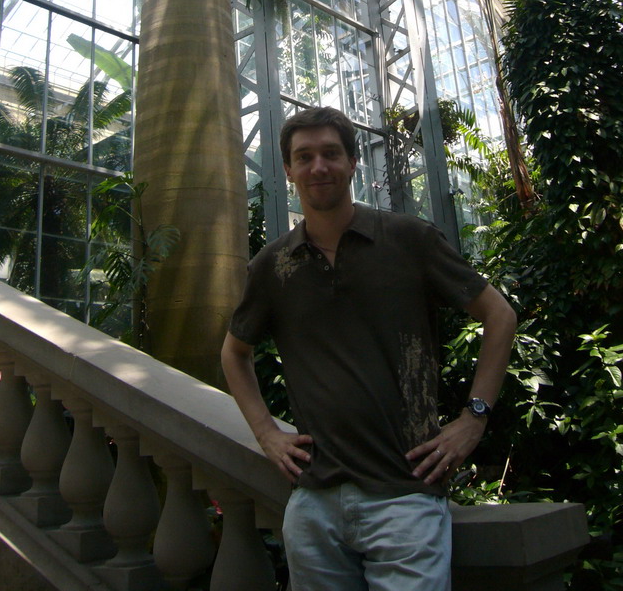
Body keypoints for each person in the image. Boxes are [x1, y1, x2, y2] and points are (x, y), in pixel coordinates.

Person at [221, 106, 517, 591]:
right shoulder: (273, 266)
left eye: (331, 153)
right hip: (315, 501)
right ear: (289, 170)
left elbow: (500, 316)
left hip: (406, 495)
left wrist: (474, 417)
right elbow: (234, 353)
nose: (319, 167)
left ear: (353, 162)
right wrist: (266, 433)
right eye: (305, 156)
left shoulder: (409, 240)